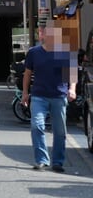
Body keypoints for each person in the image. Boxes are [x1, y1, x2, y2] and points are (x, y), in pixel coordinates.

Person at [21, 26, 76, 172]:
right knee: (36, 126)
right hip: (39, 96)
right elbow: (27, 74)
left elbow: (71, 74)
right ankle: (42, 160)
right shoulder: (34, 52)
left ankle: (58, 162)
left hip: (59, 96)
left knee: (59, 131)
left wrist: (72, 89)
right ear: (42, 35)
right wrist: (25, 93)